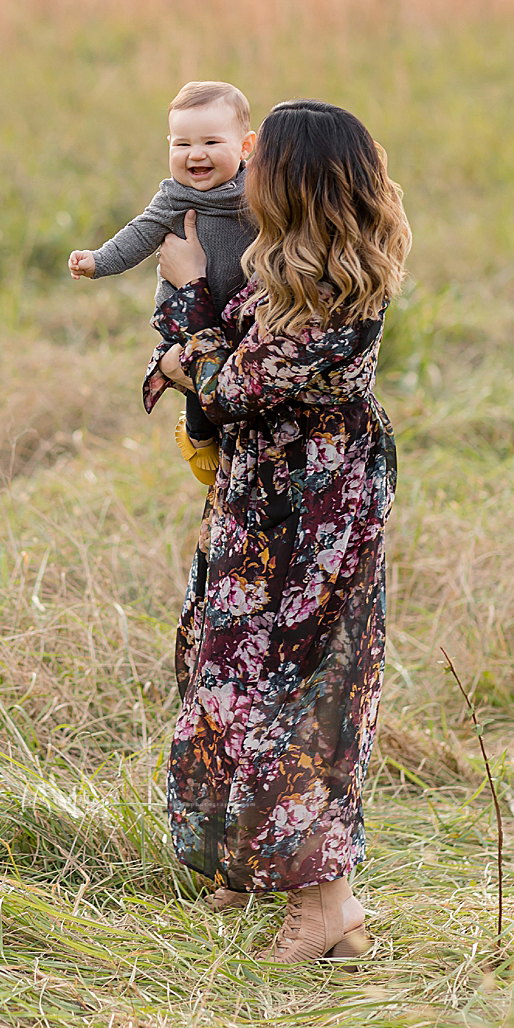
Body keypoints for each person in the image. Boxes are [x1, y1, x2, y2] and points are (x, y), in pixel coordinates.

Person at [147, 100, 409, 963]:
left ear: (294, 181)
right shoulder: (280, 267)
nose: (241, 170)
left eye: (260, 160)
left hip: (316, 509)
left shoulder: (332, 289)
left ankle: (327, 905)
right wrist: (202, 328)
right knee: (227, 664)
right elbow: (225, 359)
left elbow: (232, 385)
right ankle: (248, 864)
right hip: (262, 499)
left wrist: (186, 296)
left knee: (299, 689)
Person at [71, 79, 259, 485]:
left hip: (244, 313)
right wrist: (98, 261)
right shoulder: (174, 197)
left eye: (211, 143)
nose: (195, 155)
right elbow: (140, 234)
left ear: (245, 147)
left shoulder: (258, 193)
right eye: (181, 144)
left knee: (239, 385)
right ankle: (198, 438)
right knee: (198, 382)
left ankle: (234, 447)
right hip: (189, 313)